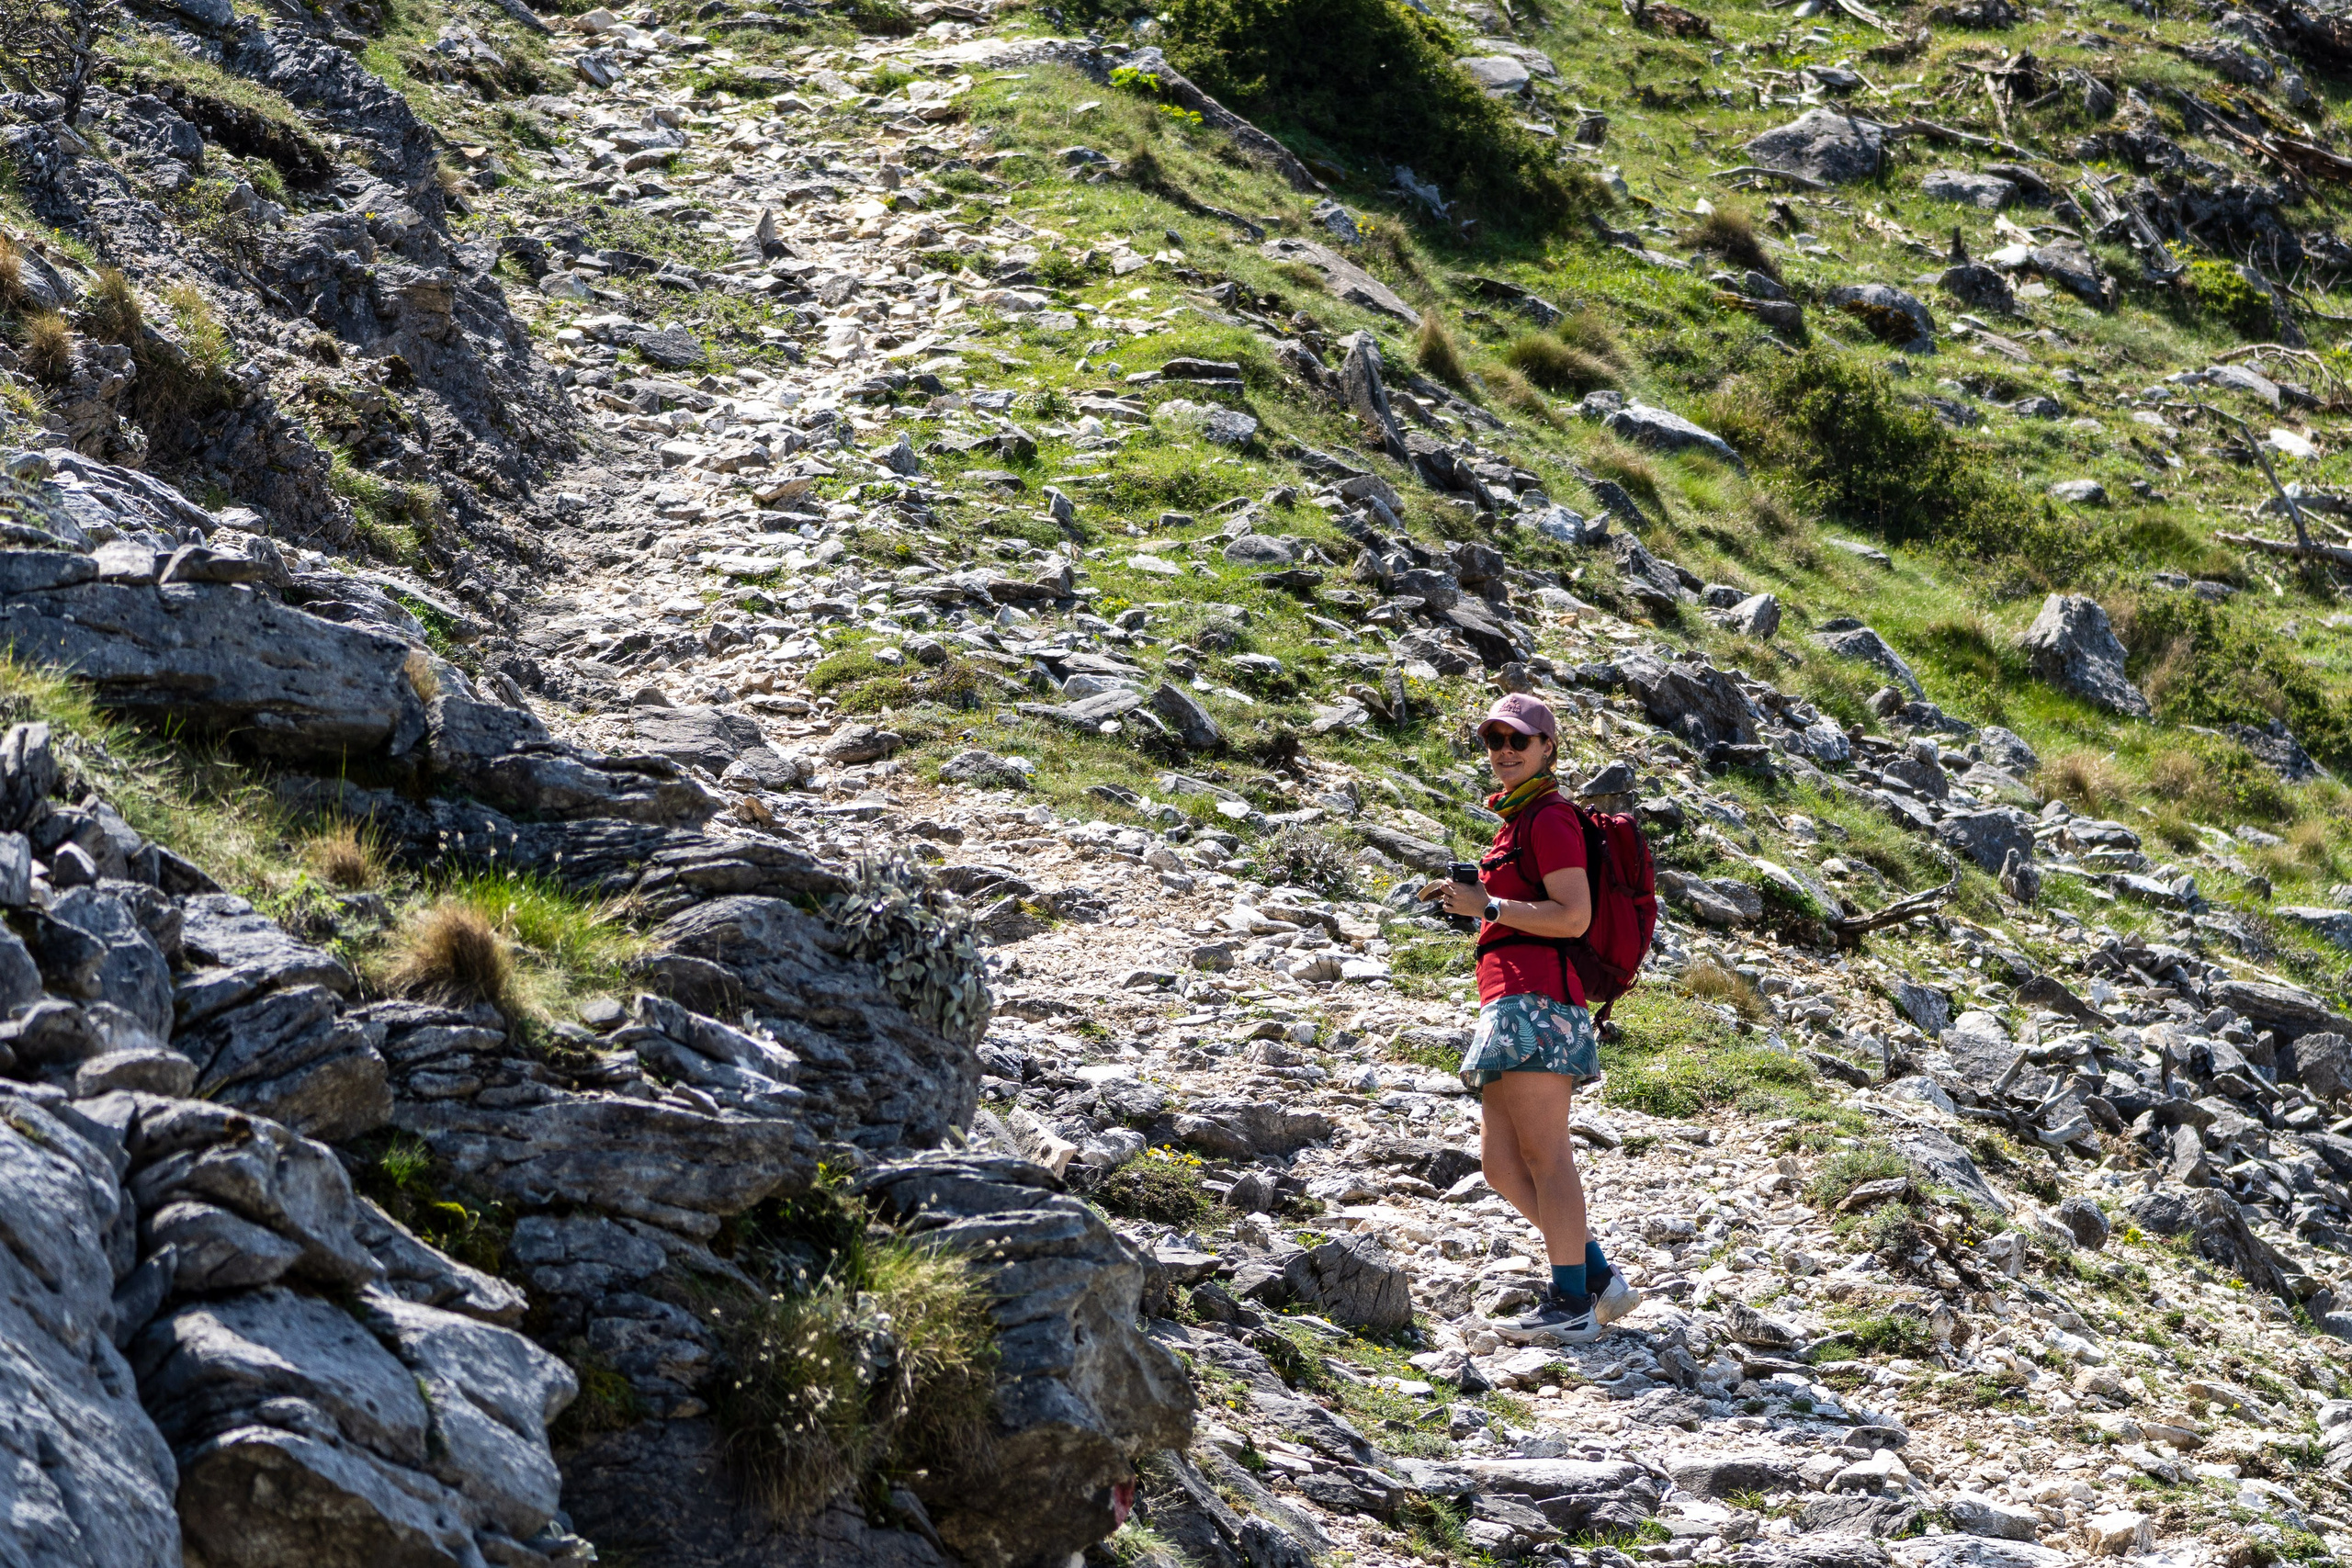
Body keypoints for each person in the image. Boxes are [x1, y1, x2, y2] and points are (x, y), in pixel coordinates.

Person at [1422, 694, 1639, 1346]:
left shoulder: (1549, 817)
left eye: (1519, 739)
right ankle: (1596, 1276)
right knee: (1500, 1165)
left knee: (1546, 1154)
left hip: (1539, 999)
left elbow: (1572, 916)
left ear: (1548, 747)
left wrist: (1488, 907)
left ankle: (1570, 1301)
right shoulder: (1516, 820)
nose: (1505, 751)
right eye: (1495, 740)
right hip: (1511, 998)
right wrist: (1476, 904)